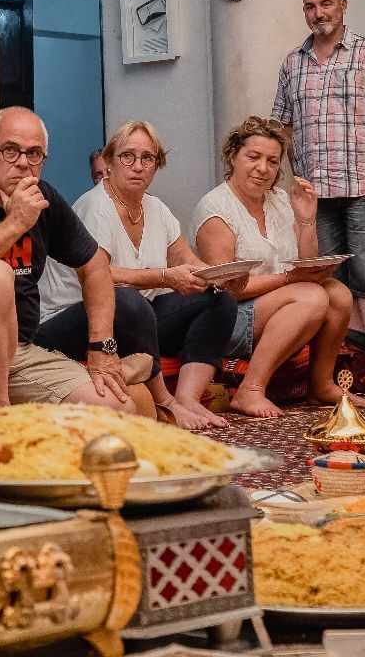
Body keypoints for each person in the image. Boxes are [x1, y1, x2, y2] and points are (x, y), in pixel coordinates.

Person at [0, 106, 153, 416]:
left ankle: (43, 455)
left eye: (34, 154)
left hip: (14, 350)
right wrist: (15, 224)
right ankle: (0, 420)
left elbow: (94, 266)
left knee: (119, 409)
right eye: (11, 151)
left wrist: (101, 347)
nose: (23, 163)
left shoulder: (44, 198)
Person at [37, 122, 237, 431]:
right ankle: (165, 402)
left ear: (157, 165)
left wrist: (220, 277)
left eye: (147, 158)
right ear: (110, 161)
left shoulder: (155, 208)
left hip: (134, 322)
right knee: (128, 299)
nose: (137, 166)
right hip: (70, 323)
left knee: (218, 301)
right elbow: (100, 275)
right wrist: (164, 277)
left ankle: (188, 397)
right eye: (127, 156)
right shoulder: (95, 206)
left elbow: (187, 260)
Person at [193, 116, 355, 418]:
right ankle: (250, 390)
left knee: (338, 293)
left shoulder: (281, 199)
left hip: (282, 303)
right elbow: (226, 291)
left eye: (272, 160)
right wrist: (291, 279)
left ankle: (321, 384)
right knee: (312, 296)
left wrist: (307, 219)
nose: (263, 168)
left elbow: (307, 263)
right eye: (253, 157)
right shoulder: (215, 207)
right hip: (227, 316)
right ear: (233, 156)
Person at [271, 0, 365, 305]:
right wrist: (285, 182)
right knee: (326, 282)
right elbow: (279, 127)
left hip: (364, 190)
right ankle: (342, 356)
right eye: (310, 6)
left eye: (326, 4)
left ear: (343, 6)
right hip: (314, 196)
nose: (319, 13)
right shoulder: (292, 63)